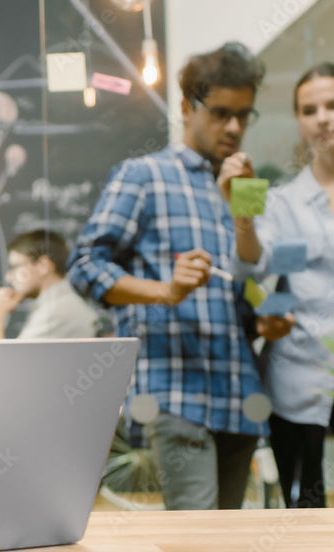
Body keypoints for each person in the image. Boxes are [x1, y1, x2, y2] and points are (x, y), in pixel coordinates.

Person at [67, 42, 293, 510]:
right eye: (221, 113)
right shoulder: (143, 176)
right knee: (198, 544)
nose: (234, 127)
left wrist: (265, 318)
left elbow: (249, 278)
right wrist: (166, 290)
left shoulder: (246, 185)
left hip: (241, 394)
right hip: (174, 390)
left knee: (226, 542)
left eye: (244, 115)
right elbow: (85, 266)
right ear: (188, 107)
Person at [232, 63, 334, 508]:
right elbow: (254, 271)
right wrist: (241, 207)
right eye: (308, 109)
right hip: (296, 378)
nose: (322, 118)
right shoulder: (277, 198)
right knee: (302, 516)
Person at [0, 230, 99, 339]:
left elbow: (7, 359)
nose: (8, 277)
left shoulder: (56, 311)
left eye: (15, 267)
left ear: (43, 265)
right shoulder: (58, 304)